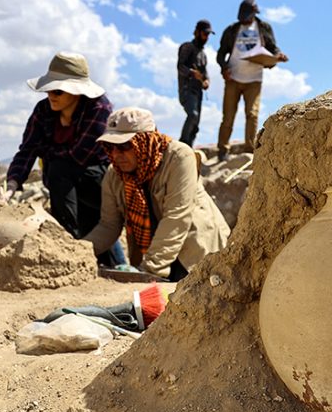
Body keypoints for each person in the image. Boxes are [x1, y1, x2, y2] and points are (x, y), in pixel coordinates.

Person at [82, 107, 231, 281]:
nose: (115, 154)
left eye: (124, 146)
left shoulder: (179, 157)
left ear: (145, 141)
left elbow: (177, 216)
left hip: (194, 253)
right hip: (151, 254)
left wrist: (149, 269)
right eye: (109, 146)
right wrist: (77, 252)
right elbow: (108, 225)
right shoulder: (114, 175)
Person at [5, 52, 121, 266]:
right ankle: (70, 246)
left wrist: (45, 150)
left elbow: (78, 156)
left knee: (97, 224)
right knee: (60, 176)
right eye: (49, 89)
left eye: (58, 90)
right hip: (63, 186)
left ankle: (71, 245)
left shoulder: (99, 109)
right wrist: (12, 182)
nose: (52, 96)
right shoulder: (43, 111)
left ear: (76, 92)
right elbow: (27, 149)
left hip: (96, 184)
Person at [215, 0, 288, 161]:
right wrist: (224, 68)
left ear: (254, 14)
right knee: (228, 116)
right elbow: (221, 53)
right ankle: (222, 151)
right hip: (233, 78)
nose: (245, 21)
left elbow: (273, 48)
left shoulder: (263, 28)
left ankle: (249, 151)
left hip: (254, 79)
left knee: (252, 114)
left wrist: (278, 56)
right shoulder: (232, 30)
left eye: (248, 17)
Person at [177, 19, 213, 145]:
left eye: (208, 35)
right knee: (192, 115)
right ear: (197, 32)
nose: (206, 37)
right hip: (187, 90)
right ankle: (182, 145)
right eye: (205, 34)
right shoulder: (187, 47)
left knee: (196, 124)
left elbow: (205, 73)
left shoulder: (203, 55)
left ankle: (189, 148)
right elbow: (180, 67)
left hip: (198, 93)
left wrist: (206, 81)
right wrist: (192, 73)